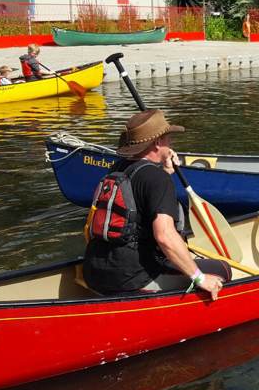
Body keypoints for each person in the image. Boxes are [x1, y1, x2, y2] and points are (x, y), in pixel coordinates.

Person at [83, 109, 230, 297]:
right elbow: (164, 236)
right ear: (158, 142)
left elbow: (138, 198)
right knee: (223, 269)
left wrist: (165, 172)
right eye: (168, 138)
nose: (171, 142)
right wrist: (200, 278)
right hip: (131, 280)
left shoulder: (117, 169)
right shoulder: (157, 179)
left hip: (94, 271)